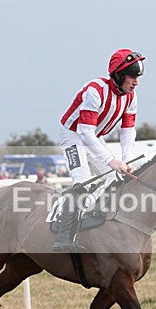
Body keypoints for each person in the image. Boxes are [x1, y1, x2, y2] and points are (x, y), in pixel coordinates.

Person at [53, 48, 144, 252]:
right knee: (82, 181)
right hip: (73, 135)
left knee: (115, 177)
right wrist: (111, 161)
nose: (136, 82)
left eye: (137, 77)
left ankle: (90, 217)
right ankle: (63, 236)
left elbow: (128, 131)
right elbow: (84, 132)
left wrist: (126, 160)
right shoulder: (95, 90)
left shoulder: (131, 97)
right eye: (132, 77)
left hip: (94, 136)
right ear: (119, 75)